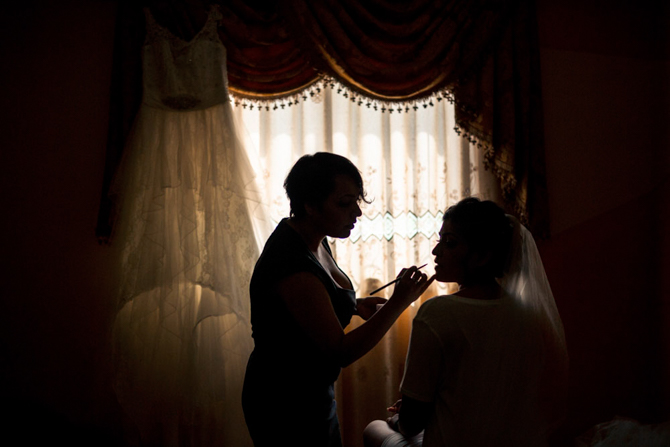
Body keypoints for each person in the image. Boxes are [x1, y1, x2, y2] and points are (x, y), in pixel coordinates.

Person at [242, 152, 435, 447]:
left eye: (357, 201)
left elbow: (306, 309)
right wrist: (399, 302)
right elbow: (340, 351)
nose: (357, 212)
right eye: (344, 203)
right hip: (285, 400)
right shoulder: (291, 263)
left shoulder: (313, 239)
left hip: (311, 391)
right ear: (310, 206)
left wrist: (355, 305)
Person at [363, 197, 568, 447]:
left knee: (374, 428)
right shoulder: (527, 313)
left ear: (482, 257)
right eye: (439, 241)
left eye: (449, 243)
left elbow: (411, 424)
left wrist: (399, 418)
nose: (436, 252)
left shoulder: (437, 312)